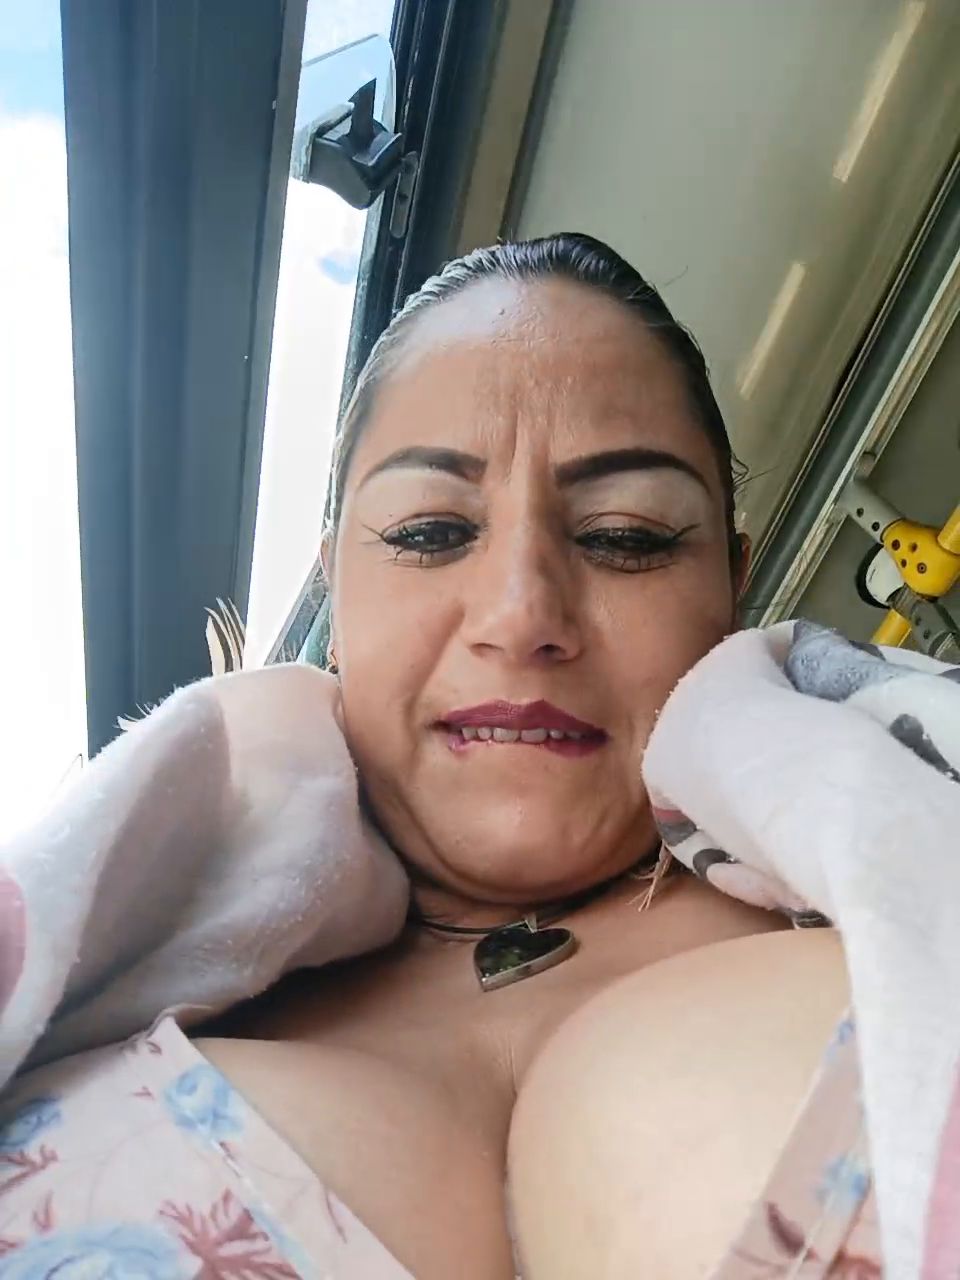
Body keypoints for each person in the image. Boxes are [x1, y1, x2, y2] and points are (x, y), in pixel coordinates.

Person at [0, 234, 856, 1279]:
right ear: (336, 593)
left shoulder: (890, 855)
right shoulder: (127, 965)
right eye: (428, 532)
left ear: (731, 585)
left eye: (625, 534)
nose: (521, 614)